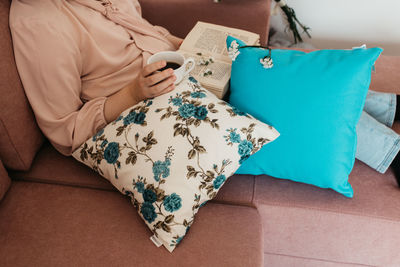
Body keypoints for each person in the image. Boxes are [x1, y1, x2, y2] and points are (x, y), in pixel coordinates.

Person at [10, 0, 400, 187]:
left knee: (277, 63)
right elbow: (66, 132)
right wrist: (132, 91)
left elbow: (148, 35)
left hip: (181, 70)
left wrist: (201, 48)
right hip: (147, 109)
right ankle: (393, 152)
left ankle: (389, 107)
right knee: (282, 94)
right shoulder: (41, 22)